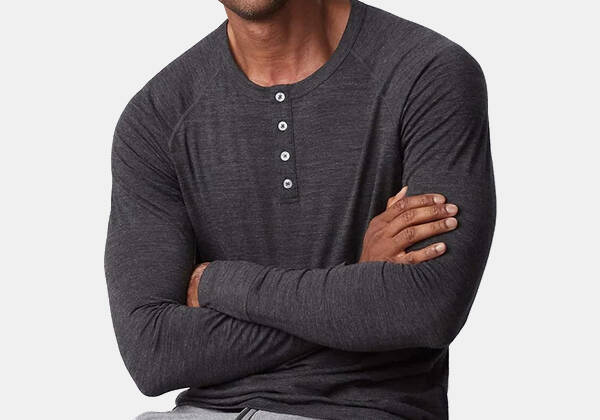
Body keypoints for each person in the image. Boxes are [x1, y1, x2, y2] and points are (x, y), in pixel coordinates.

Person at [103, 0, 496, 418]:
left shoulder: (427, 73)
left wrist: (218, 283)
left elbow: (427, 307)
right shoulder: (156, 117)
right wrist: (354, 293)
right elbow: (153, 352)